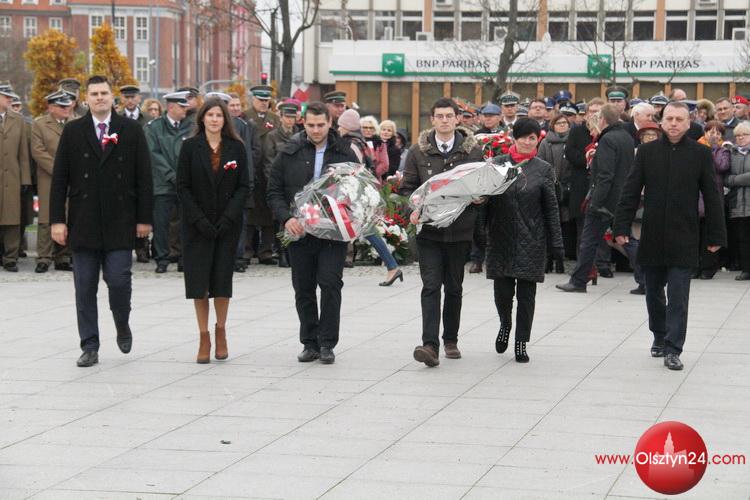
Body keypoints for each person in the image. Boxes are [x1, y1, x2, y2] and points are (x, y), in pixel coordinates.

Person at [613, 101, 726, 371]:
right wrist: (621, 227)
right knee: (653, 292)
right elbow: (630, 191)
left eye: (679, 119)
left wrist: (716, 235)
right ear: (661, 122)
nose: (674, 123)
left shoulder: (700, 153)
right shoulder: (647, 152)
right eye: (670, 118)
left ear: (689, 123)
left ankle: (674, 348)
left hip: (685, 235)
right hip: (653, 234)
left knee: (678, 295)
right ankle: (659, 335)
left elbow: (712, 196)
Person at [49, 75, 153, 367]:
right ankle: (90, 345)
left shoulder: (130, 130)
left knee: (119, 281)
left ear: (112, 96)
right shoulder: (73, 131)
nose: (99, 98)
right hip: (84, 221)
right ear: (86, 99)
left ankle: (122, 322)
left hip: (120, 220)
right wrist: (57, 220)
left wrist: (144, 219)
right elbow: (59, 180)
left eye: (104, 93)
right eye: (94, 94)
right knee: (84, 286)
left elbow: (144, 177)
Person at [267, 101, 359, 365]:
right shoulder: (290, 151)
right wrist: (286, 218)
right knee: (303, 287)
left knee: (330, 284)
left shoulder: (344, 152)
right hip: (300, 232)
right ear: (303, 123)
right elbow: (274, 191)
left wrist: (348, 216)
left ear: (330, 123)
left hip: (332, 233)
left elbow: (356, 189)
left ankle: (327, 343)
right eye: (310, 125)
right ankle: (309, 342)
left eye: (321, 125)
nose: (316, 130)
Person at [400, 97, 484, 367]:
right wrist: (411, 209)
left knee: (454, 287)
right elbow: (407, 189)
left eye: (449, 116)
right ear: (432, 120)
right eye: (440, 116)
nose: (445, 120)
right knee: (431, 286)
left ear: (457, 119)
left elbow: (483, 186)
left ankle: (450, 339)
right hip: (429, 231)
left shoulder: (473, 152)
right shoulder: (418, 152)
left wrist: (480, 198)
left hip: (460, 230)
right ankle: (430, 345)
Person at [176, 98, 251, 363]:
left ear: (225, 119)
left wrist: (229, 217)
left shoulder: (236, 148)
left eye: (219, 115)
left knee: (221, 281)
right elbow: (182, 187)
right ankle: (203, 336)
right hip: (197, 226)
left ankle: (221, 331)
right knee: (199, 284)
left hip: (226, 226)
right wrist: (199, 220)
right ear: (202, 119)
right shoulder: (189, 147)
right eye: (210, 115)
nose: (214, 120)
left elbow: (244, 186)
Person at [488, 118, 563, 363]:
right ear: (514, 137)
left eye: (533, 138)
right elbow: (486, 201)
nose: (528, 142)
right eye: (524, 137)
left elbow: (551, 208)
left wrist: (556, 243)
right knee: (502, 293)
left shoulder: (543, 169)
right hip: (501, 237)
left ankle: (521, 342)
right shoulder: (498, 164)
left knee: (526, 296)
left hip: (532, 239)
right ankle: (505, 324)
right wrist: (479, 233)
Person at [557, 103, 634, 293]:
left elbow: (605, 175)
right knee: (624, 238)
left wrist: (596, 202)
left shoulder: (607, 140)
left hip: (604, 200)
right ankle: (645, 278)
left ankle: (579, 281)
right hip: (620, 197)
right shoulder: (626, 137)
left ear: (603, 119)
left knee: (589, 240)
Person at [337, 109, 404, 287]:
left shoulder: (351, 145)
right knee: (365, 229)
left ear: (346, 126)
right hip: (360, 192)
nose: (338, 129)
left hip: (353, 194)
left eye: (340, 126)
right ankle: (392, 267)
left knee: (360, 229)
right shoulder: (360, 142)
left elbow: (352, 170)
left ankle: (392, 267)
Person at [145, 91, 193, 273]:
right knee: (161, 224)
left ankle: (184, 258)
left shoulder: (191, 127)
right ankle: (162, 259)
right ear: (171, 107)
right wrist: (172, 176)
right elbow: (153, 155)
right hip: (162, 185)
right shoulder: (154, 127)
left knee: (185, 223)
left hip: (185, 185)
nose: (185, 110)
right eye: (182, 107)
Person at [30, 90, 74, 273]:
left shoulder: (75, 123)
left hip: (72, 177)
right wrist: (59, 170)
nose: (66, 109)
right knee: (46, 218)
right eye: (62, 106)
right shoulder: (39, 124)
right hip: (49, 177)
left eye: (67, 105)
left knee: (68, 215)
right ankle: (44, 257)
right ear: (51, 107)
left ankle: (63, 257)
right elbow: (38, 151)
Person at [563, 97, 604, 260]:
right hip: (581, 184)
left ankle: (601, 263)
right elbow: (570, 153)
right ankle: (583, 263)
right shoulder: (577, 131)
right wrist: (589, 160)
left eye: (599, 112)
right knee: (583, 227)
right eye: (592, 111)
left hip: (601, 185)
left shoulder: (607, 132)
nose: (595, 115)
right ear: (586, 114)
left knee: (602, 229)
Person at [261, 100, 299, 269]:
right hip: (280, 183)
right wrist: (274, 183)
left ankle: (293, 252)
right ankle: (282, 252)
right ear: (281, 117)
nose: (290, 120)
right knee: (280, 219)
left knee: (297, 217)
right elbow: (268, 162)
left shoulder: (300, 135)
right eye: (287, 117)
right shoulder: (272, 136)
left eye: (292, 117)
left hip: (297, 184)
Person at [245, 85, 280, 266]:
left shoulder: (275, 118)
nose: (264, 103)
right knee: (250, 214)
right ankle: (246, 251)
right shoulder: (245, 117)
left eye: (266, 100)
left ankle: (266, 252)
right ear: (253, 100)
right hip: (252, 169)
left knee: (268, 214)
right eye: (260, 100)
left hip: (269, 170)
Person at [0, 83, 31, 272]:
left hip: (12, 177)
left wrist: (25, 179)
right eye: (6, 96)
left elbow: (23, 154)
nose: (10, 99)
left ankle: (10, 258)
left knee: (12, 219)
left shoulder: (18, 120)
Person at [695, 120, 731, 280]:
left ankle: (709, 267)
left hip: (714, 195)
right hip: (697, 194)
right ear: (705, 132)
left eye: (717, 132)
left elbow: (722, 166)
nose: (714, 135)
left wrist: (711, 150)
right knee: (696, 233)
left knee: (711, 232)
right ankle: (695, 266)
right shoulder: (695, 148)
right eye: (711, 131)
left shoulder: (723, 151)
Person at [537, 113, 571, 273]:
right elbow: (540, 164)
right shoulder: (545, 142)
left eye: (565, 122)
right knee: (549, 225)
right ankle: (548, 260)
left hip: (567, 189)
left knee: (564, 226)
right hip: (550, 186)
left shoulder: (572, 141)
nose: (562, 125)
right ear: (553, 126)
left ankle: (561, 260)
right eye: (559, 123)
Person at [724, 121, 750, 281]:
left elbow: (732, 179)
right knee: (743, 239)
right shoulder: (731, 153)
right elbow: (725, 177)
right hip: (738, 203)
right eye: (738, 135)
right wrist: (734, 180)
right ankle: (746, 269)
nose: (741, 138)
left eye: (744, 134)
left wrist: (735, 180)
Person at [360, 115, 389, 180]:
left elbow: (385, 164)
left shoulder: (380, 143)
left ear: (375, 129)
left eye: (371, 128)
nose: (368, 130)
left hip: (375, 179)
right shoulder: (357, 142)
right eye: (365, 127)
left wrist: (372, 175)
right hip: (358, 178)